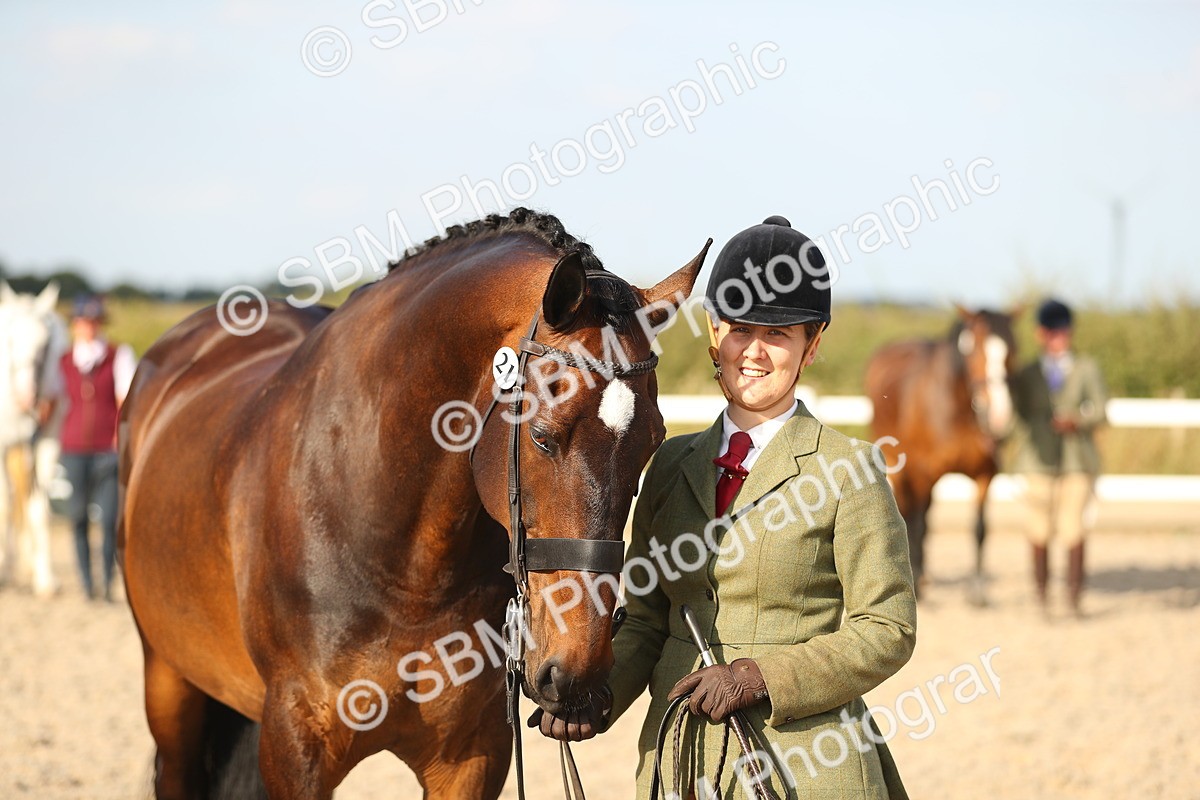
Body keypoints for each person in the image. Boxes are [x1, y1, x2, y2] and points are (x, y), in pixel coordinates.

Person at [534, 217, 917, 799]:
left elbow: (887, 628)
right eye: (740, 329)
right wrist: (598, 698)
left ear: (812, 345)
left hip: (805, 763)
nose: (754, 352)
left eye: (778, 334)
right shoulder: (668, 464)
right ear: (714, 333)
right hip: (682, 761)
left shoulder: (849, 470)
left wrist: (761, 678)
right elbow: (647, 620)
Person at [1011, 298, 1106, 617]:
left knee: (1073, 526)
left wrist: (1077, 420)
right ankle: (1042, 596)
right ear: (1041, 334)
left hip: (1077, 460)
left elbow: (1101, 410)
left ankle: (1074, 597)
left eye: (1063, 332)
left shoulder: (1086, 368)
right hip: (1038, 461)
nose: (1059, 338)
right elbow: (1016, 413)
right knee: (1038, 527)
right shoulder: (1028, 373)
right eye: (1053, 333)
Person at [57, 295, 136, 602]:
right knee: (77, 516)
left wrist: (120, 434)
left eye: (92, 321)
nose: (88, 327)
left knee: (108, 518)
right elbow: (54, 399)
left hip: (107, 448)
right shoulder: (64, 361)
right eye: (82, 321)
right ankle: (87, 583)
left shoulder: (118, 355)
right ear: (75, 325)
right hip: (74, 447)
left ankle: (107, 579)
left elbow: (124, 399)